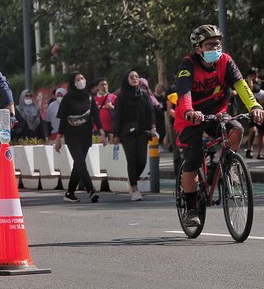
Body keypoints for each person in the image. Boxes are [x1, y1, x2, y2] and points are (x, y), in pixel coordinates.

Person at [175, 24, 264, 227]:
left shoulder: (225, 61)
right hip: (190, 117)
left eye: (217, 43)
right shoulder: (188, 64)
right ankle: (191, 209)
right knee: (193, 159)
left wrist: (255, 105)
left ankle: (222, 162)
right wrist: (190, 111)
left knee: (237, 129)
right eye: (209, 44)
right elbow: (184, 92)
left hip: (216, 114)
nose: (215, 47)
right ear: (198, 48)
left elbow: (241, 85)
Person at [53, 71, 106, 203]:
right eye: (78, 79)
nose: (81, 81)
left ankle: (70, 192)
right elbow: (63, 121)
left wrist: (102, 132)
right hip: (72, 137)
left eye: (82, 78)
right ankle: (91, 191)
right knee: (81, 163)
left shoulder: (89, 97)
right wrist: (58, 139)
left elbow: (96, 115)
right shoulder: (68, 98)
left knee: (78, 164)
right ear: (73, 83)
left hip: (85, 136)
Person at [112, 69, 155, 201]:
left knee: (141, 160)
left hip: (142, 131)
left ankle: (132, 181)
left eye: (136, 77)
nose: (135, 79)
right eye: (132, 77)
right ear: (127, 80)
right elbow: (118, 116)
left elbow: (150, 111)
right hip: (126, 132)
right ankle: (135, 188)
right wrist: (116, 134)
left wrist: (153, 127)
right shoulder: (121, 97)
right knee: (132, 159)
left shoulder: (144, 94)